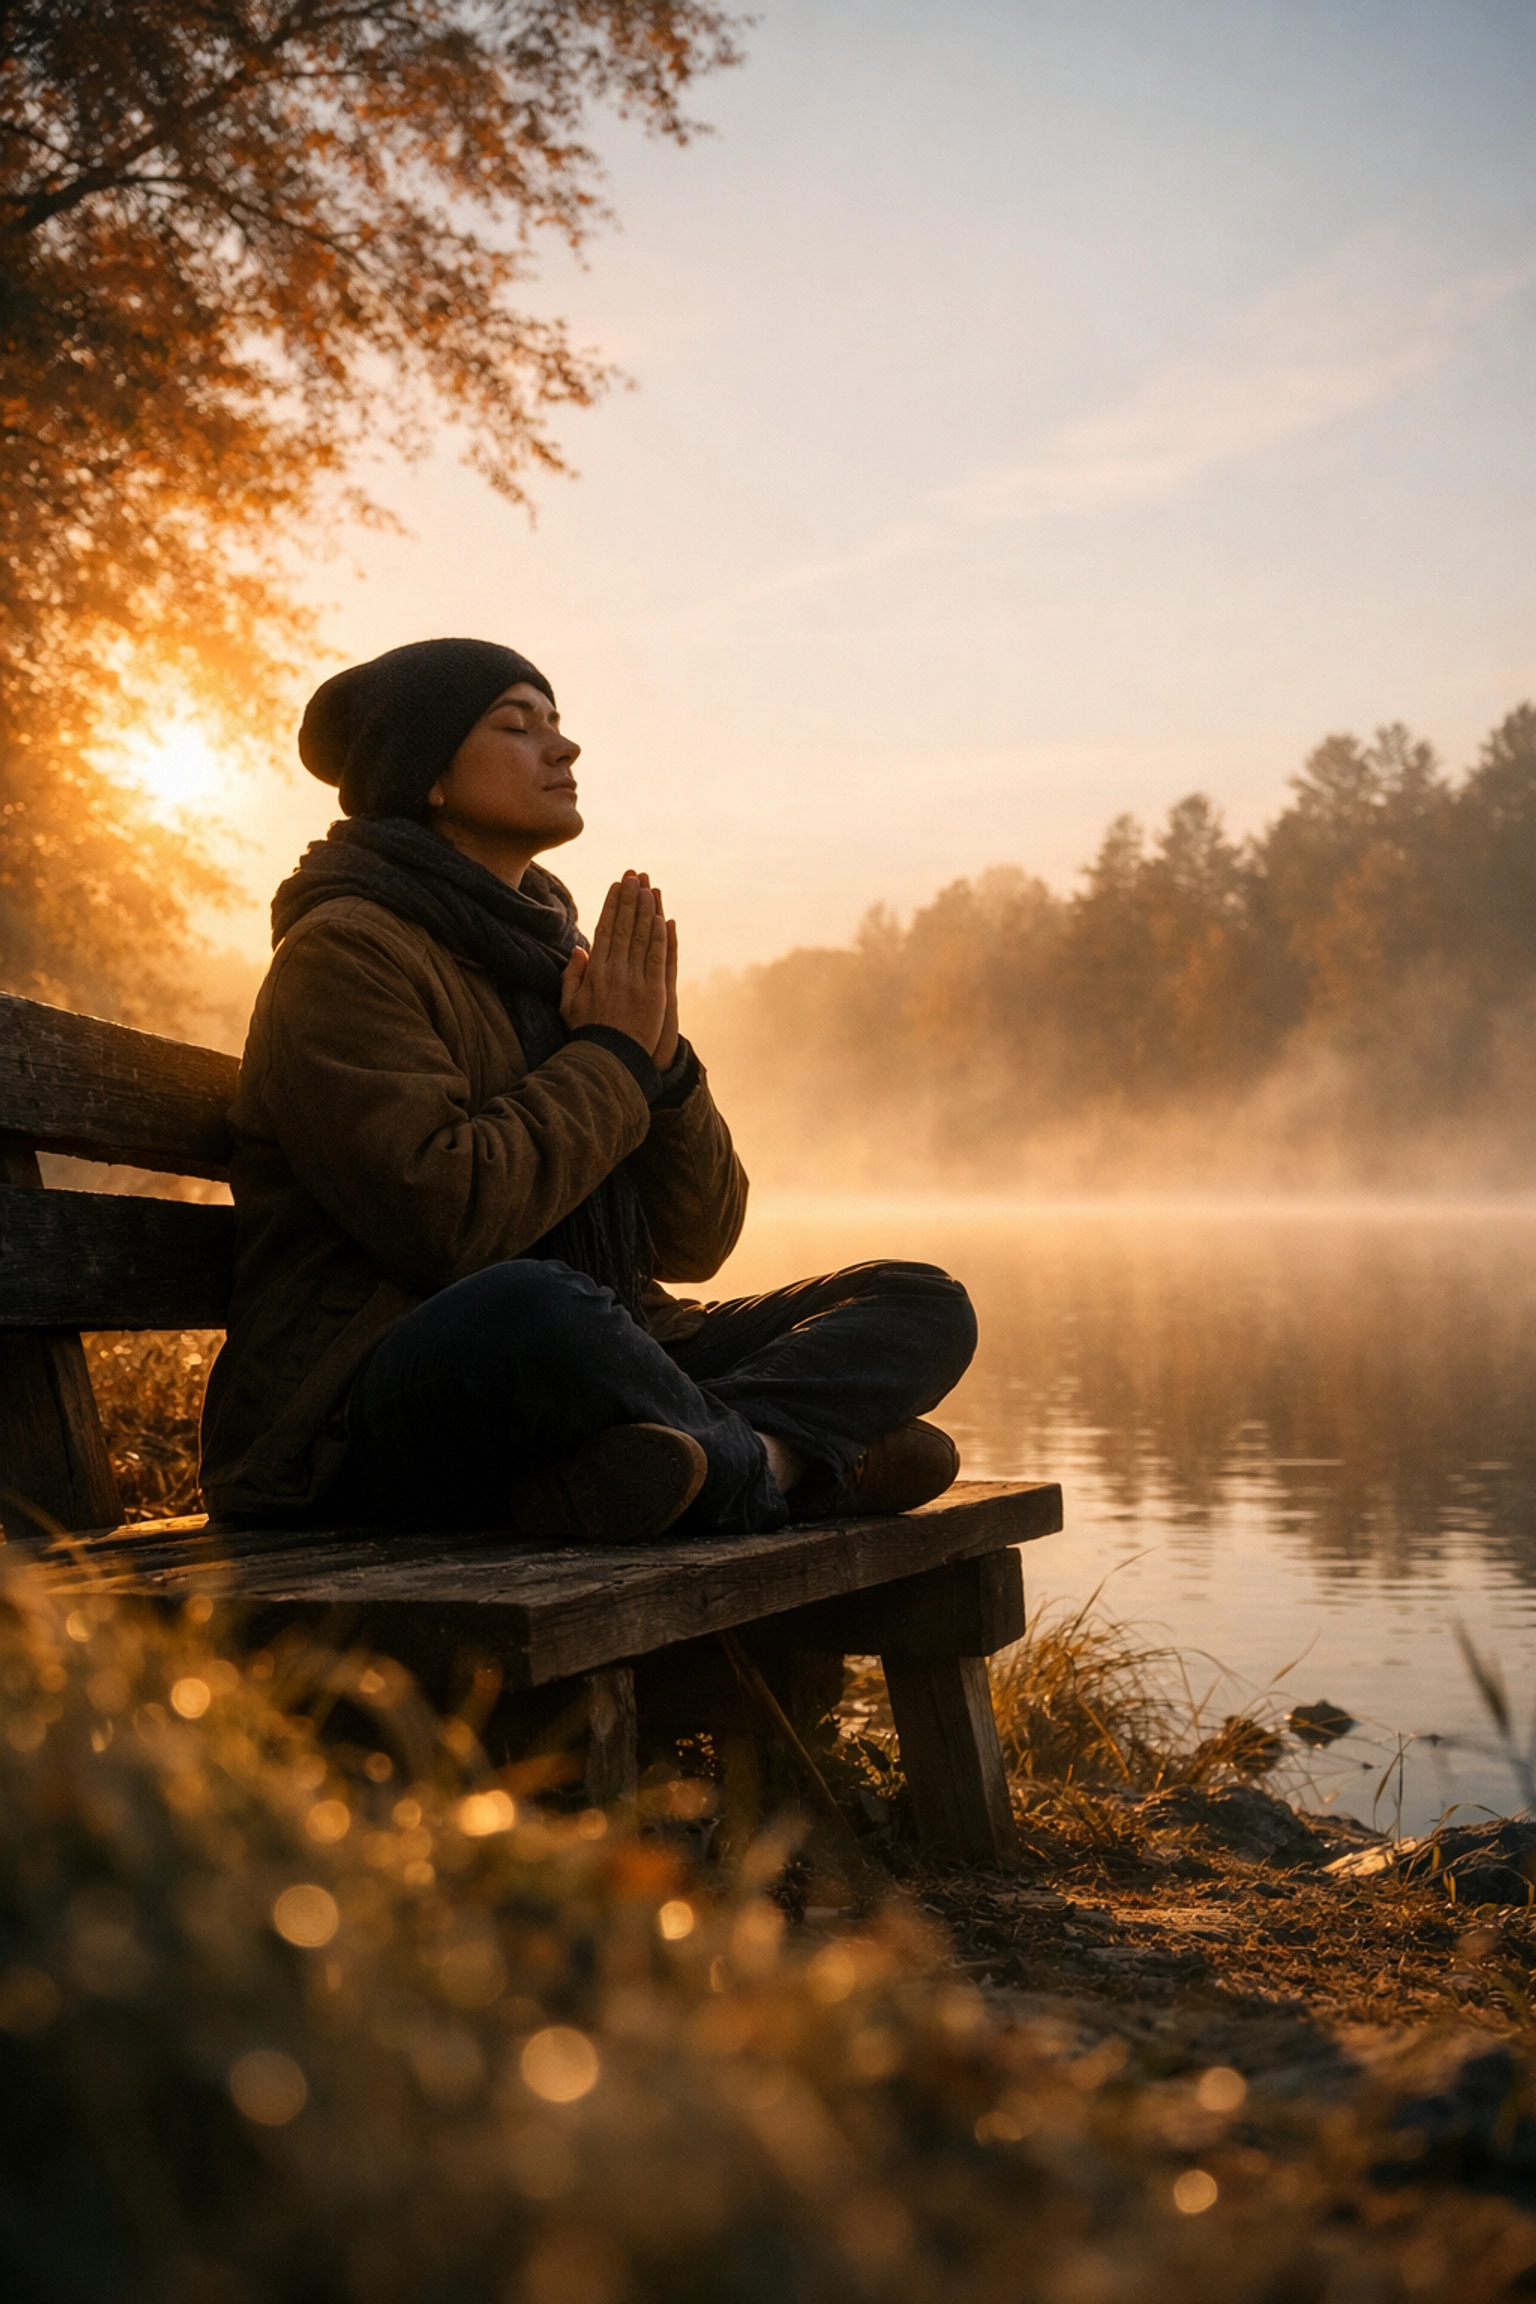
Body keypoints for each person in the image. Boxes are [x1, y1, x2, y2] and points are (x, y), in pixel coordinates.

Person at [199, 638, 978, 1541]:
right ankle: (777, 1464)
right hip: (362, 1412)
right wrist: (611, 1055)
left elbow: (698, 1242)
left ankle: (695, 1456)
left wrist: (664, 1060)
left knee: (920, 1302)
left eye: (558, 723)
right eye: (517, 726)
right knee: (534, 1304)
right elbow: (445, 1222)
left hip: (601, 1353)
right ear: (428, 776)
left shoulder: (559, 962)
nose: (562, 748)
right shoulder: (346, 953)